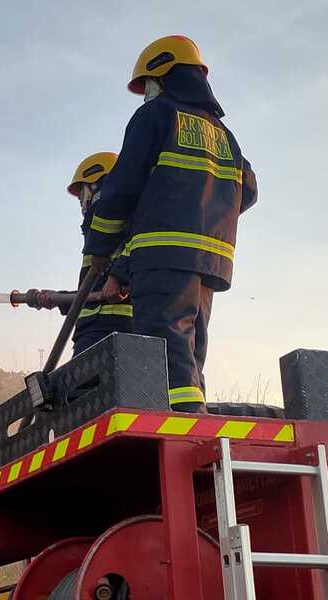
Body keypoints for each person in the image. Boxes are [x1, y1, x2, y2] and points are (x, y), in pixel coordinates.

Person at [85, 35, 258, 413]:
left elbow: (121, 189)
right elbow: (248, 190)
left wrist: (99, 249)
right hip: (210, 261)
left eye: (148, 84)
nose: (146, 93)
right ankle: (193, 413)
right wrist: (205, 214)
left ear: (164, 75)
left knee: (164, 348)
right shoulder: (227, 137)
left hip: (163, 255)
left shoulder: (157, 116)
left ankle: (181, 424)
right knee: (191, 350)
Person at [28, 152, 133, 357]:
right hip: (92, 328)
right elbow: (92, 290)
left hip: (115, 326)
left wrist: (117, 278)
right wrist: (58, 298)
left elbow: (136, 249)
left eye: (82, 193)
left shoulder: (125, 216)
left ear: (97, 185)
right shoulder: (94, 232)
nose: (81, 202)